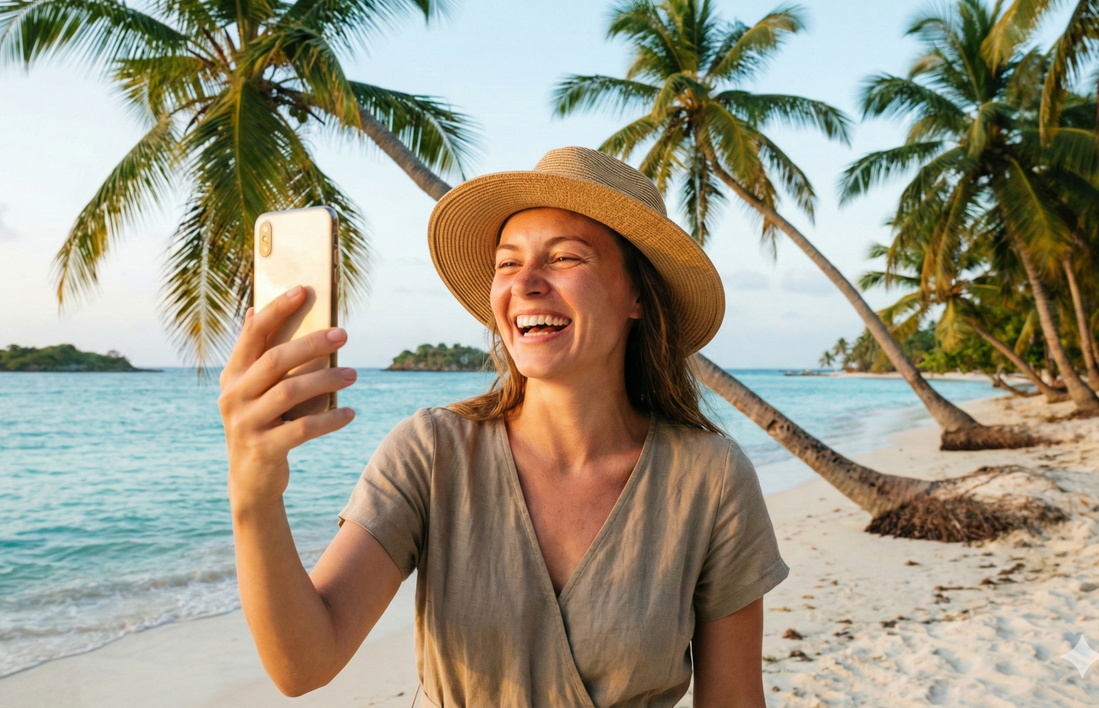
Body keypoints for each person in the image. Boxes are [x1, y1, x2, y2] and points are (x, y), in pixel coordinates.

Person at [219, 147, 788, 707]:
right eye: (508, 262)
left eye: (565, 258)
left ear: (636, 294)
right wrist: (254, 496)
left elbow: (735, 699)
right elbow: (303, 664)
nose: (526, 283)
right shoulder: (433, 452)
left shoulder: (710, 479)